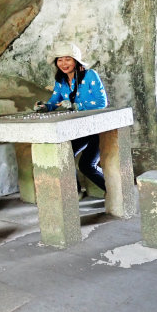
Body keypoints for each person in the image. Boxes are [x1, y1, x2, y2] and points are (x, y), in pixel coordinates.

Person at [33, 42, 108, 197]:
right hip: (79, 129)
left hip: (97, 128)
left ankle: (115, 192)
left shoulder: (90, 75)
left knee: (86, 165)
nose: (63, 63)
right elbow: (54, 102)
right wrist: (44, 107)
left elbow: (102, 102)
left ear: (76, 60)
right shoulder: (60, 81)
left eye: (68, 59)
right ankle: (75, 192)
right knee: (64, 155)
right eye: (60, 60)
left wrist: (75, 105)